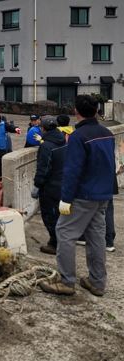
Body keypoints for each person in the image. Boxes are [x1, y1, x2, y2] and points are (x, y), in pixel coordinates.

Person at [40, 95, 115, 297]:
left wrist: (66, 198)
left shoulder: (78, 136)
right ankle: (97, 282)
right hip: (104, 194)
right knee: (96, 236)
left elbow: (72, 170)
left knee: (64, 232)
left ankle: (66, 282)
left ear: (76, 111)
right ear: (97, 111)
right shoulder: (107, 133)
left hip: (84, 194)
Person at [30, 116, 67, 255]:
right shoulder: (63, 140)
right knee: (60, 215)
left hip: (50, 187)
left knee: (49, 216)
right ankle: (58, 242)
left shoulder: (46, 146)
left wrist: (37, 186)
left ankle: (55, 243)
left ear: (43, 128)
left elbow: (43, 169)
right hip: (63, 184)